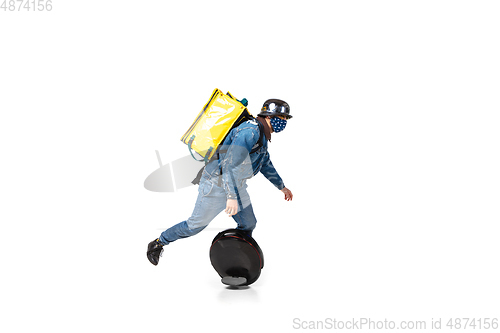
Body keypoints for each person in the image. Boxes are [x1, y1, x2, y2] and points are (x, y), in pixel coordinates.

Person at [147, 99, 294, 265]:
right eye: (281, 117)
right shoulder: (250, 131)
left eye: (285, 119)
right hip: (215, 184)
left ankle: (236, 258)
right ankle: (159, 242)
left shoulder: (262, 135)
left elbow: (265, 164)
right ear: (268, 116)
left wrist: (281, 187)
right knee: (195, 225)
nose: (283, 121)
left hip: (235, 185)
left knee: (248, 223)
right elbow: (229, 165)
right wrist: (231, 196)